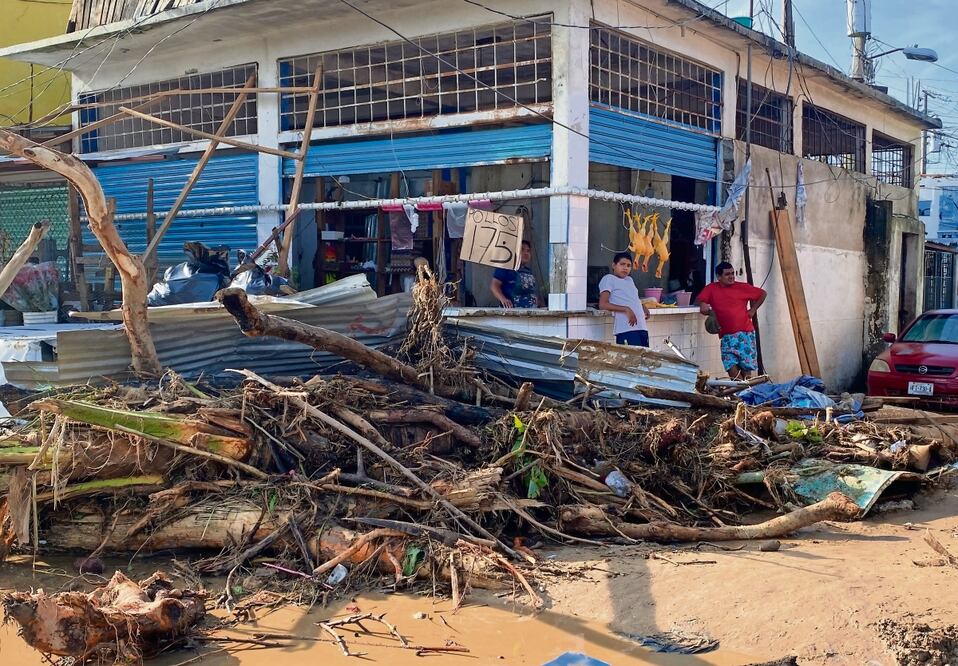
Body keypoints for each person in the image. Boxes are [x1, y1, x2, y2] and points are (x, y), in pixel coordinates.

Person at [696, 261, 767, 379]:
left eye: (733, 273)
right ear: (719, 277)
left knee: (746, 370)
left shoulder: (742, 287)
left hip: (745, 334)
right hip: (727, 336)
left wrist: (753, 310)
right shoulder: (711, 288)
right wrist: (709, 311)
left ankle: (744, 394)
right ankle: (740, 389)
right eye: (727, 274)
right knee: (730, 365)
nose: (732, 276)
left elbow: (762, 294)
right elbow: (702, 306)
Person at [598, 252, 651, 347]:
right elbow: (603, 304)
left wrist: (642, 306)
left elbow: (632, 298)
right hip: (626, 330)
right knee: (631, 360)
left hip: (642, 328)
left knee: (644, 360)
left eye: (628, 265)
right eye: (622, 264)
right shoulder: (608, 279)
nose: (625, 268)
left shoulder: (629, 280)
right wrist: (626, 309)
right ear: (614, 265)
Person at [491, 240, 540, 308]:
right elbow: (494, 286)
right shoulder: (505, 268)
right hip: (512, 312)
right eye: (522, 250)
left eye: (528, 251)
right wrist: (503, 299)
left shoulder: (528, 271)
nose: (526, 253)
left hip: (531, 312)